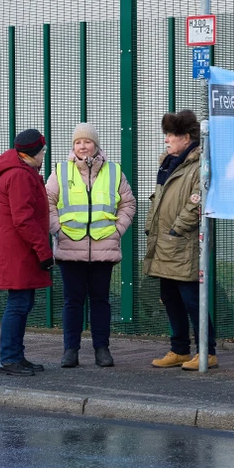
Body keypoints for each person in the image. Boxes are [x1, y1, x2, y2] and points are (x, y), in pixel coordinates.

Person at [46, 122, 137, 369]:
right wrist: (58, 229)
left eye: (87, 142)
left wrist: (117, 230)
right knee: (72, 302)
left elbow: (128, 204)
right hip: (69, 247)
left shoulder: (114, 172)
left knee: (100, 300)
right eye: (78, 142)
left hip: (103, 248)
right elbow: (47, 202)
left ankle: (102, 349)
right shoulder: (61, 171)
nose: (82, 146)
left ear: (96, 145)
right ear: (73, 146)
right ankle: (70, 351)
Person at [144, 109, 216, 370]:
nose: (167, 140)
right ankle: (180, 349)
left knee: (192, 299)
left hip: (184, 244)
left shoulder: (200, 165)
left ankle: (207, 351)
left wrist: (177, 229)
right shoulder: (168, 164)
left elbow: (198, 202)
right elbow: (159, 200)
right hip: (163, 243)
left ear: (186, 138)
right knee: (169, 297)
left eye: (171, 135)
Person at [0, 129, 54, 376]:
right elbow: (23, 219)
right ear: (32, 153)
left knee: (22, 303)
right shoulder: (20, 176)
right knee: (18, 305)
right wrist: (43, 251)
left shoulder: (21, 171)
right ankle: (9, 358)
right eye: (42, 152)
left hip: (19, 251)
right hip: (20, 252)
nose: (43, 156)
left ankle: (16, 355)